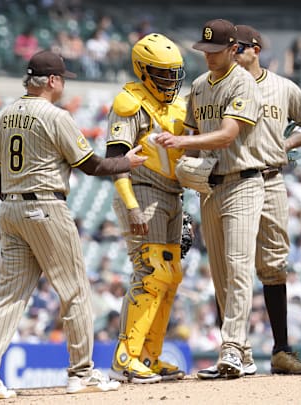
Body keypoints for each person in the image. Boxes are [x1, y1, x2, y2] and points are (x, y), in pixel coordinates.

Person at [0, 50, 146, 399]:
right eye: (62, 78)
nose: (63, 83)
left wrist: (13, 201)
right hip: (46, 206)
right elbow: (90, 165)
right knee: (75, 291)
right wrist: (128, 162)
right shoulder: (55, 115)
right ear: (51, 81)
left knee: (9, 294)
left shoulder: (6, 114)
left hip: (12, 208)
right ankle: (82, 373)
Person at [156, 19, 266, 379]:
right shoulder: (200, 85)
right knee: (220, 275)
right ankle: (244, 354)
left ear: (233, 49)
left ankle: (231, 347)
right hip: (210, 186)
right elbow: (190, 130)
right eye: (204, 51)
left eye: (215, 51)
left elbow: (226, 135)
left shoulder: (244, 83)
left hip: (242, 183)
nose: (208, 57)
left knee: (237, 267)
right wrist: (181, 151)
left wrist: (184, 145)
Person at [226, 24, 301, 375]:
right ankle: (235, 349)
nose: (232, 53)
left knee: (274, 265)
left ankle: (281, 348)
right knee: (232, 266)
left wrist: (286, 143)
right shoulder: (218, 86)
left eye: (237, 48)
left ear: (255, 49)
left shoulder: (283, 87)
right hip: (231, 181)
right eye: (229, 48)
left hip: (269, 179)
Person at [104, 33, 187, 384]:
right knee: (151, 274)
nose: (170, 82)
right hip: (143, 191)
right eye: (162, 74)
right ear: (143, 70)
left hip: (173, 193)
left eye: (174, 74)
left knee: (170, 277)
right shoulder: (129, 103)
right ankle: (126, 356)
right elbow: (114, 159)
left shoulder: (177, 107)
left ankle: (149, 357)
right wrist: (132, 207)